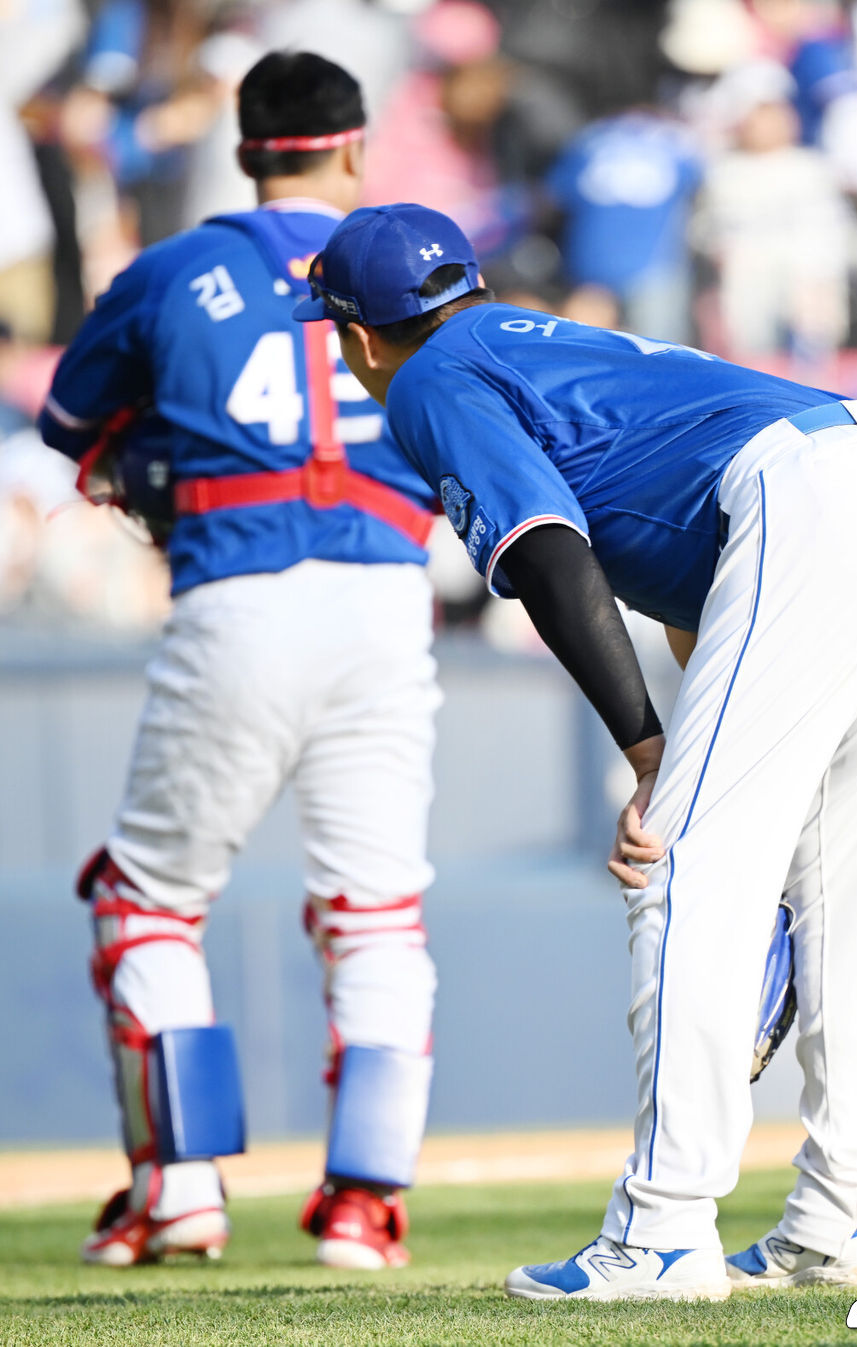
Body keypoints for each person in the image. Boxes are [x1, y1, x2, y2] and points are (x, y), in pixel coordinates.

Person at [295, 202, 857, 1302]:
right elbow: (698, 574)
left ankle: (664, 1232)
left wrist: (647, 753)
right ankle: (840, 1218)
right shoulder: (545, 340)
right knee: (850, 893)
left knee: (676, 862)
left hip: (820, 506)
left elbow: (547, 555)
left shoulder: (430, 378)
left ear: (360, 336)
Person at [38, 57, 441, 1270]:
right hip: (388, 599)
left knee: (147, 899)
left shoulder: (172, 272)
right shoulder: (425, 256)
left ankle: (181, 1192)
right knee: (377, 910)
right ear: (354, 149)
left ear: (245, 149)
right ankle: (366, 1206)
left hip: (239, 590)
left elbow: (70, 427)